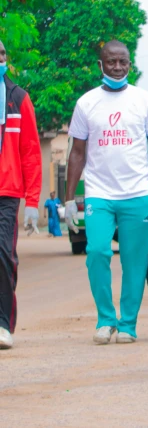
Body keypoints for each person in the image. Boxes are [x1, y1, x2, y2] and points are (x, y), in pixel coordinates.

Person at [64, 40, 148, 345]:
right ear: (100, 65)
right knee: (97, 252)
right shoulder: (86, 103)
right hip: (99, 194)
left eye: (123, 62)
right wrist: (68, 200)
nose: (117, 67)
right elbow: (77, 152)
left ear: (130, 64)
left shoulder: (144, 100)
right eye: (111, 62)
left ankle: (128, 324)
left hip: (137, 193)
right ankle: (105, 319)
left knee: (134, 260)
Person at [0, 39, 42, 350]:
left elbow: (30, 152)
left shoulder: (18, 98)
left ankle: (3, 323)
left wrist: (32, 202)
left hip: (7, 192)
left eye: (1, 53)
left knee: (3, 255)